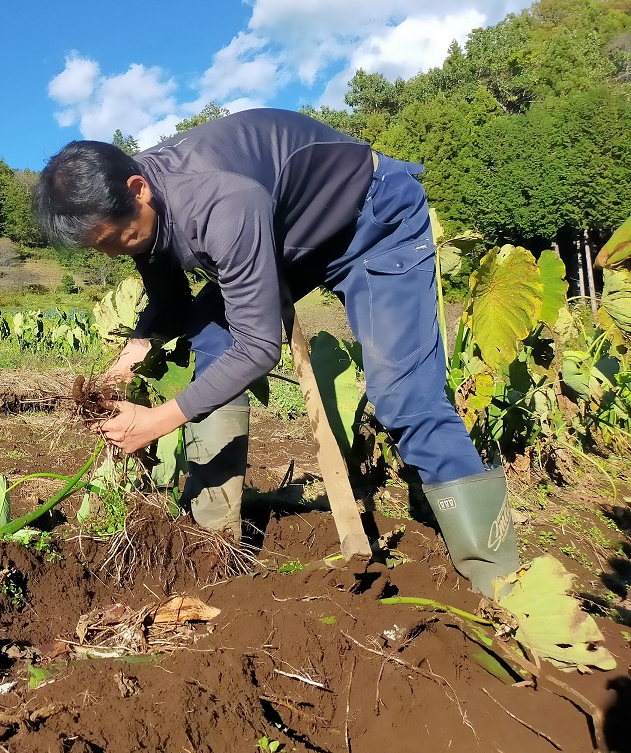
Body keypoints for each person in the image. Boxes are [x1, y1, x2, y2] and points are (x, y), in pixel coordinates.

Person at [31, 108, 518, 597]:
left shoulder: (216, 203)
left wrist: (158, 421)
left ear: (139, 189)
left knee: (403, 396)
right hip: (292, 237)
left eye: (120, 240)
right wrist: (135, 347)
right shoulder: (139, 208)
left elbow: (260, 348)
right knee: (210, 335)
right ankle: (213, 544)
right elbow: (171, 300)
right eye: (104, 248)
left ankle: (497, 577)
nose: (118, 253)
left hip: (371, 220)